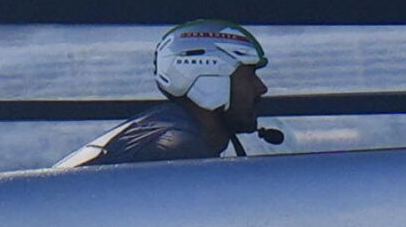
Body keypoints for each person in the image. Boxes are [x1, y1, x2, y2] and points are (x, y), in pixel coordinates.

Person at [60, 21, 272, 167]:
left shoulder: (164, 130)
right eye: (249, 76)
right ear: (209, 79)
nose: (261, 88)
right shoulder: (176, 151)